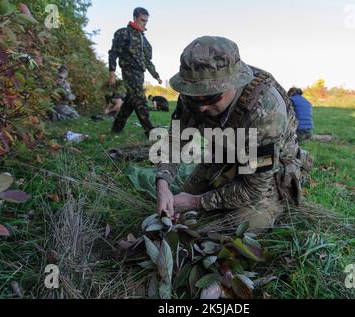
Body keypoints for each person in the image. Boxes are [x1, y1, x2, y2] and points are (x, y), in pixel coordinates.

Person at [155, 36, 313, 234]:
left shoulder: (266, 110)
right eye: (194, 97)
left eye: (211, 97)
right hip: (226, 155)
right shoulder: (193, 95)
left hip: (266, 171)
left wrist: (196, 202)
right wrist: (162, 184)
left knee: (242, 226)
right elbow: (175, 140)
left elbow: (254, 189)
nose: (201, 107)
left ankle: (277, 205)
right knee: (184, 199)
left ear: (234, 84)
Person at [108, 7, 162, 136]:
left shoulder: (145, 42)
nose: (144, 23)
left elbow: (148, 61)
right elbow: (113, 52)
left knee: (130, 102)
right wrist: (112, 72)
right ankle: (150, 131)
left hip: (140, 74)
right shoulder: (123, 33)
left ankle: (116, 128)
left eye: (146, 21)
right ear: (135, 17)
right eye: (142, 20)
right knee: (140, 99)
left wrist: (156, 76)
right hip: (128, 70)